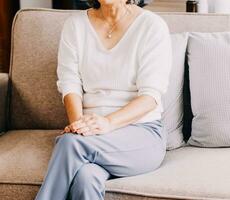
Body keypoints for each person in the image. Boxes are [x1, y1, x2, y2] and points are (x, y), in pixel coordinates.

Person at [34, 0, 172, 199]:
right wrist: (79, 126)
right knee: (85, 178)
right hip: (91, 135)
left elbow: (150, 97)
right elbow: (69, 84)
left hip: (142, 133)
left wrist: (107, 123)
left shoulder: (151, 26)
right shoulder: (75, 26)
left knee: (69, 144)